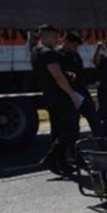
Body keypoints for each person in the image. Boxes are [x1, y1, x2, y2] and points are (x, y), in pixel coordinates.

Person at [31, 24, 80, 175]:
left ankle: (61, 163)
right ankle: (52, 158)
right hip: (60, 97)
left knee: (59, 132)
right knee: (70, 130)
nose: (56, 40)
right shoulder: (47, 53)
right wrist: (72, 95)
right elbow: (58, 76)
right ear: (45, 35)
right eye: (54, 36)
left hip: (50, 97)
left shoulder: (35, 51)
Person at [58, 31, 103, 138]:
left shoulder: (76, 56)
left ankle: (102, 143)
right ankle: (75, 150)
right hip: (68, 93)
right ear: (67, 42)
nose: (76, 48)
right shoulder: (58, 56)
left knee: (94, 118)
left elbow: (80, 72)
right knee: (73, 124)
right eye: (74, 45)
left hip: (81, 91)